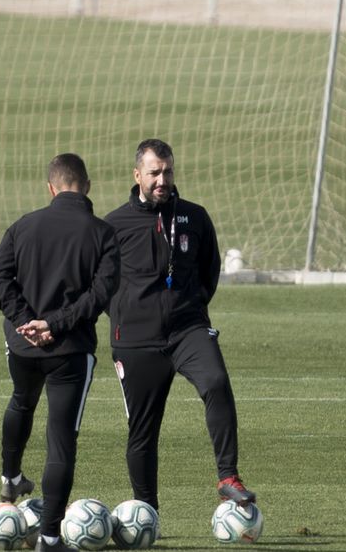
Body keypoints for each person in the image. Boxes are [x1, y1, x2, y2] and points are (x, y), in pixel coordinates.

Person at [103, 138, 254, 523]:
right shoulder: (112, 225)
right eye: (154, 173)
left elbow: (210, 270)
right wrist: (123, 315)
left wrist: (191, 307)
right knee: (143, 431)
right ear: (137, 175)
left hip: (188, 330)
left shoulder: (195, 217)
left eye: (167, 171)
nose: (162, 180)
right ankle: (147, 510)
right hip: (136, 341)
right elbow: (97, 283)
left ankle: (228, 477)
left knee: (216, 382)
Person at [0, 152, 120, 552]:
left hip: (22, 345)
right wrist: (55, 324)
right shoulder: (103, 233)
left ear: (51, 187)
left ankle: (10, 478)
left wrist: (27, 321)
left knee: (21, 402)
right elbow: (101, 295)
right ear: (87, 185)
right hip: (70, 351)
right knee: (61, 439)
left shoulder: (22, 226)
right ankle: (48, 538)